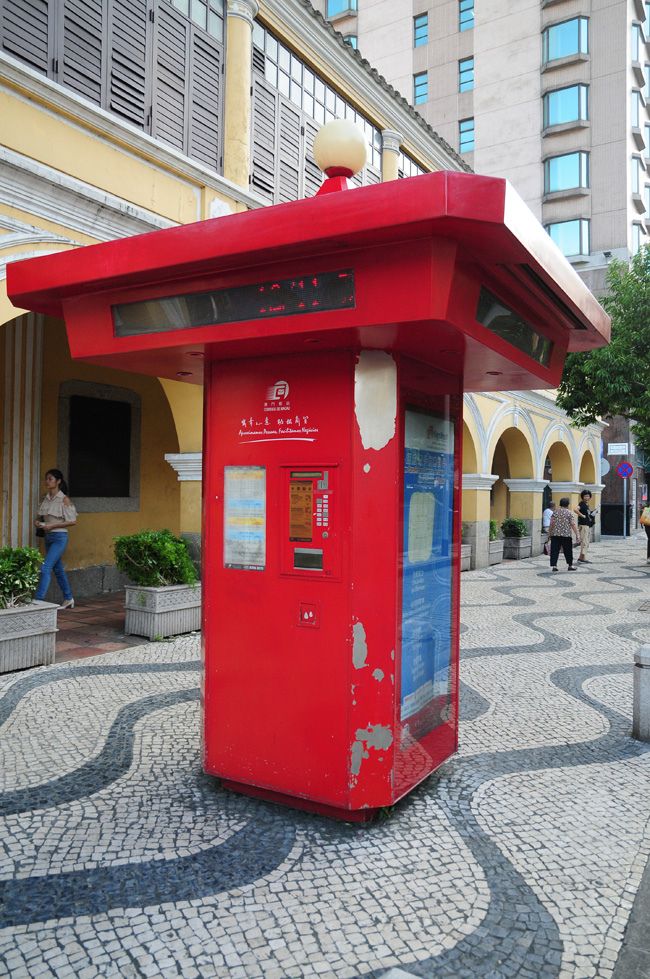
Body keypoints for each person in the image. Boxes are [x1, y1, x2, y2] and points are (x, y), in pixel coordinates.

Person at [34, 469, 77, 609]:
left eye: (50, 479)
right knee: (57, 569)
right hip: (48, 537)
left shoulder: (64, 499)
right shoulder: (45, 498)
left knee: (46, 568)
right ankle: (68, 598)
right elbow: (41, 515)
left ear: (58, 481)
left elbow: (72, 521)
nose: (47, 481)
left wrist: (53, 525)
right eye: (46, 478)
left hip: (59, 537)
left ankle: (38, 600)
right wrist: (38, 522)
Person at [549, 496, 579, 572]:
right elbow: (572, 524)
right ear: (568, 505)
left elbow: (551, 523)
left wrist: (549, 532)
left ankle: (554, 566)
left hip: (555, 534)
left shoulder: (555, 512)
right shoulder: (569, 513)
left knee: (554, 550)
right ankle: (570, 565)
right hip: (566, 534)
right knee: (568, 550)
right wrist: (576, 534)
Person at [574, 489, 594, 564]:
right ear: (582, 497)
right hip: (584, 525)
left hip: (587, 525)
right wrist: (582, 515)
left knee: (586, 541)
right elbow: (575, 509)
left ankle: (581, 557)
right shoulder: (581, 504)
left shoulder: (586, 505)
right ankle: (583, 557)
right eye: (585, 496)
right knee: (584, 541)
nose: (587, 498)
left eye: (588, 496)